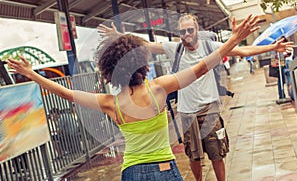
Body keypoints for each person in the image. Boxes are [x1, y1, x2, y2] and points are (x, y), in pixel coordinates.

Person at [7, 16, 258, 180]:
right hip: (163, 169)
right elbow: (202, 67)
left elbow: (65, 93)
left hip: (132, 172)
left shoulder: (110, 102)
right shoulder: (159, 88)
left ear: (110, 70)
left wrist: (31, 74)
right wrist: (233, 40)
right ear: (142, 63)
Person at [98, 14, 293, 181]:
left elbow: (242, 50)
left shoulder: (210, 46)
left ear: (197, 29)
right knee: (194, 155)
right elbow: (144, 45)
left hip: (210, 108)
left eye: (190, 30)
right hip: (186, 111)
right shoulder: (174, 48)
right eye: (182, 32)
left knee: (217, 152)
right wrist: (119, 36)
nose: (187, 35)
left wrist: (272, 48)